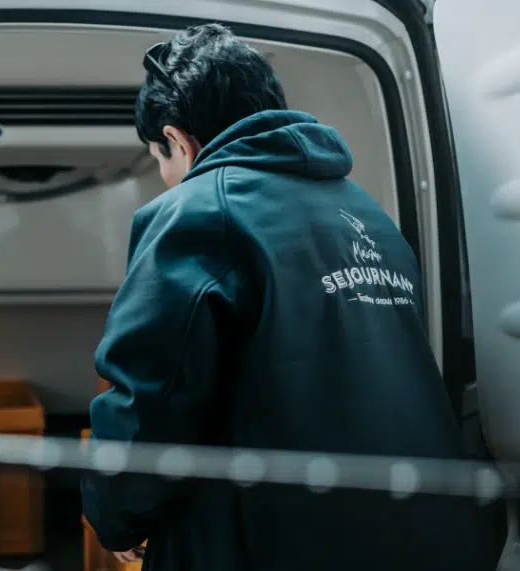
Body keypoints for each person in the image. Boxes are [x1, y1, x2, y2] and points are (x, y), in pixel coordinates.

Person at [81, 23, 479, 571]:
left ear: (178, 140)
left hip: (272, 541)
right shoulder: (369, 216)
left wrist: (116, 514)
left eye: (161, 158)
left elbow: (149, 397)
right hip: (423, 533)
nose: (167, 177)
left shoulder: (198, 211)